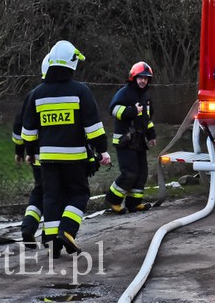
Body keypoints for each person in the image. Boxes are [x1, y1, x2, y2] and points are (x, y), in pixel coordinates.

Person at [22, 40, 111, 257]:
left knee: (51, 197)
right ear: (72, 63)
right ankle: (67, 231)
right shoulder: (81, 91)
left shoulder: (37, 94)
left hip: (48, 159)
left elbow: (28, 130)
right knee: (79, 193)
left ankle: (52, 242)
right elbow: (93, 127)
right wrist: (102, 151)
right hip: (75, 157)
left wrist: (30, 152)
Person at [104, 62, 157, 214]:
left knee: (142, 173)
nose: (143, 81)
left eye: (146, 79)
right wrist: (132, 110)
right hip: (124, 140)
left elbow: (147, 119)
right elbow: (113, 109)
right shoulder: (124, 92)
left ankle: (134, 204)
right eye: (140, 78)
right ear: (133, 77)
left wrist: (151, 135)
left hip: (139, 141)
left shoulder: (146, 96)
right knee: (130, 173)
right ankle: (112, 201)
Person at [12, 53, 49, 249]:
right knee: (54, 193)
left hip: (35, 154)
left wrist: (20, 150)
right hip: (57, 155)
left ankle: (28, 226)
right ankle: (50, 234)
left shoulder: (32, 95)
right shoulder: (61, 93)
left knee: (39, 190)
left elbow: (20, 125)